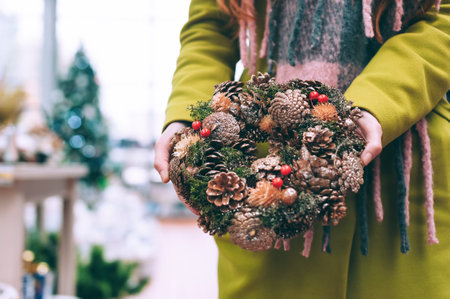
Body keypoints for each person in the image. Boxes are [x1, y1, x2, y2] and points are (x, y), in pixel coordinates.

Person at [154, 0, 450, 297]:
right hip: (269, 169)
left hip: (403, 167)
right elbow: (212, 27)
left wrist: (371, 107)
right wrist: (187, 119)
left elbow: (441, 18)